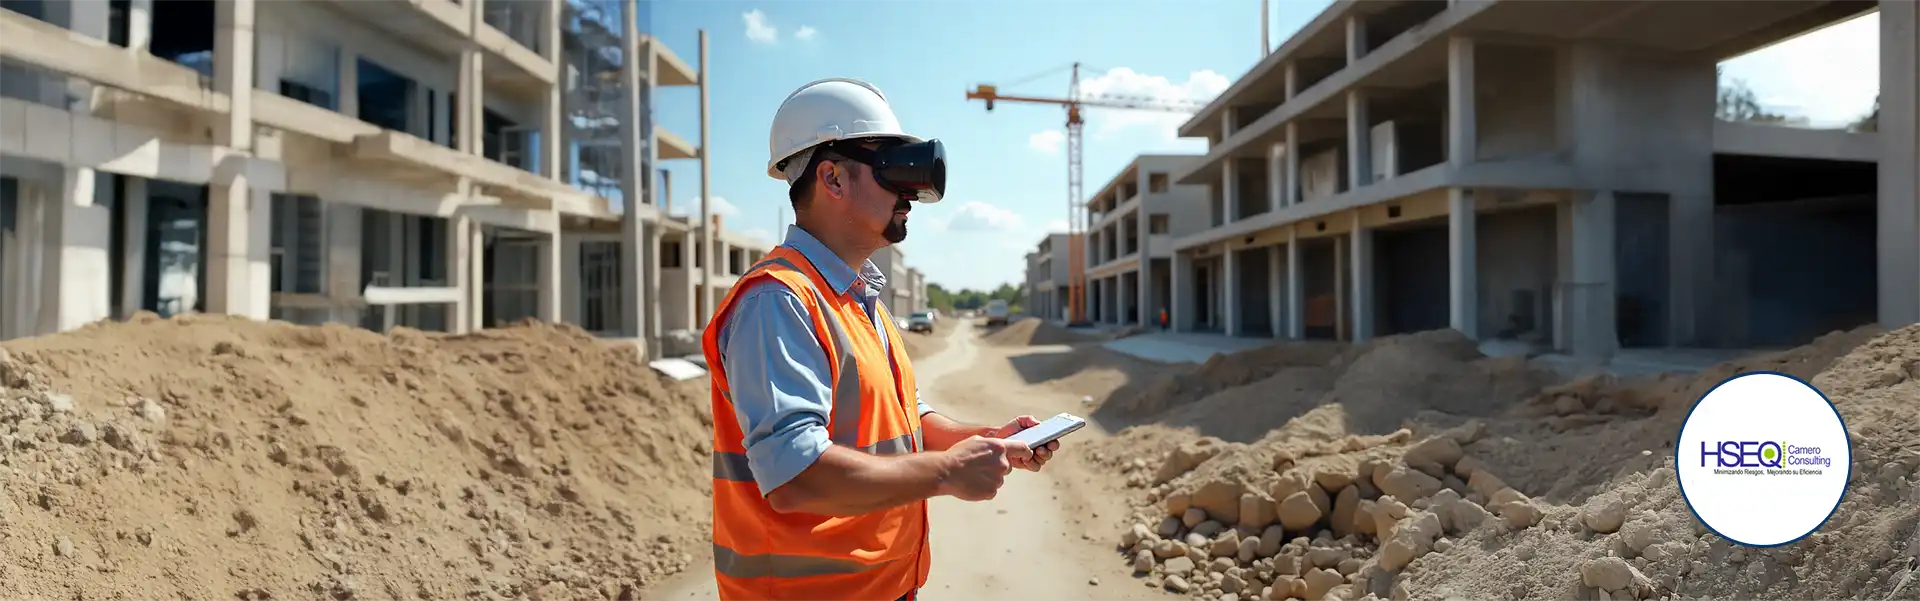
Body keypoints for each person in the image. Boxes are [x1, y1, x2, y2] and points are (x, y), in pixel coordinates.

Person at [699, 78, 1064, 601]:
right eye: (892, 168)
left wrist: (987, 440)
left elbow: (905, 418)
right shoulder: (778, 300)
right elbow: (794, 476)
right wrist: (946, 473)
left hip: (882, 586)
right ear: (832, 177)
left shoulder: (857, 296)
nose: (910, 193)